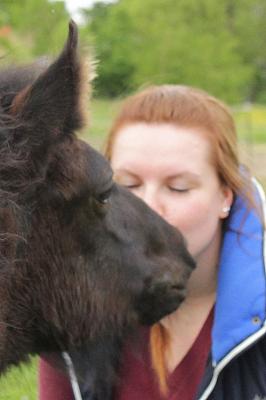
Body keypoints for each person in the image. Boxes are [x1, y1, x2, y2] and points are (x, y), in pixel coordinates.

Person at [39, 85, 266, 400]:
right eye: (128, 185)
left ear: (225, 197)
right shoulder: (71, 309)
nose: (148, 208)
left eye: (178, 188)